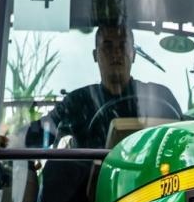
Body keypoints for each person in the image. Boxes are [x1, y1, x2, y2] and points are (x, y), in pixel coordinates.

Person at [46, 24, 183, 149]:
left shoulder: (160, 97)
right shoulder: (76, 102)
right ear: (95, 55)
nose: (116, 53)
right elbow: (36, 133)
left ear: (133, 55)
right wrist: (29, 165)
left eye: (123, 46)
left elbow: (186, 139)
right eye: (108, 46)